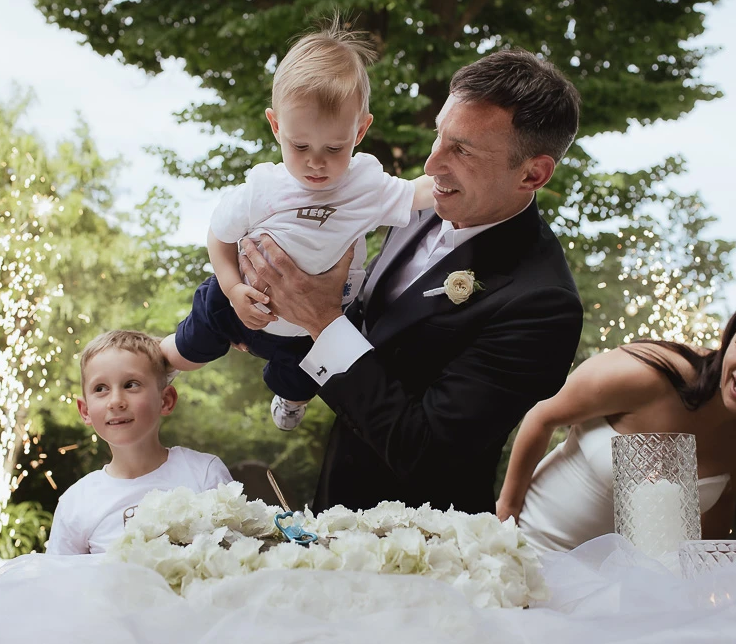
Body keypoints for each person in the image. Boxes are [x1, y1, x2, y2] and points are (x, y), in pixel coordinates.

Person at [238, 48, 584, 514]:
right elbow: (364, 321)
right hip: (335, 508)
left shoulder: (543, 303)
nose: (432, 163)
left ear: (533, 173)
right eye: (440, 135)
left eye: (462, 149)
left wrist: (321, 320)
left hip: (427, 547)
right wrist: (273, 317)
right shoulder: (421, 207)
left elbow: (426, 449)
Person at [161, 20, 433, 432]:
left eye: (334, 147)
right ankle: (155, 361)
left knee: (307, 376)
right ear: (276, 126)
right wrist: (235, 290)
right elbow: (219, 238)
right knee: (194, 337)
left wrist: (467, 174)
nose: (316, 161)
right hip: (243, 300)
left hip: (312, 324)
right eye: (300, 145)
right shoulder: (263, 187)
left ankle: (288, 401)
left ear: (360, 130)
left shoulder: (366, 184)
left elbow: (419, 193)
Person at [496, 282, 736, 554]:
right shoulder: (648, 373)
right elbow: (541, 417)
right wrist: (506, 515)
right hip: (532, 549)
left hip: (630, 590)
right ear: (728, 338)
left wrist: (697, 584)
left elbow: (721, 506)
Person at [47, 330, 233, 555]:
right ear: (84, 411)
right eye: (100, 389)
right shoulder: (76, 503)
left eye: (131, 384)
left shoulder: (203, 474)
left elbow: (236, 558)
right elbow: (61, 582)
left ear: (166, 400)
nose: (115, 402)